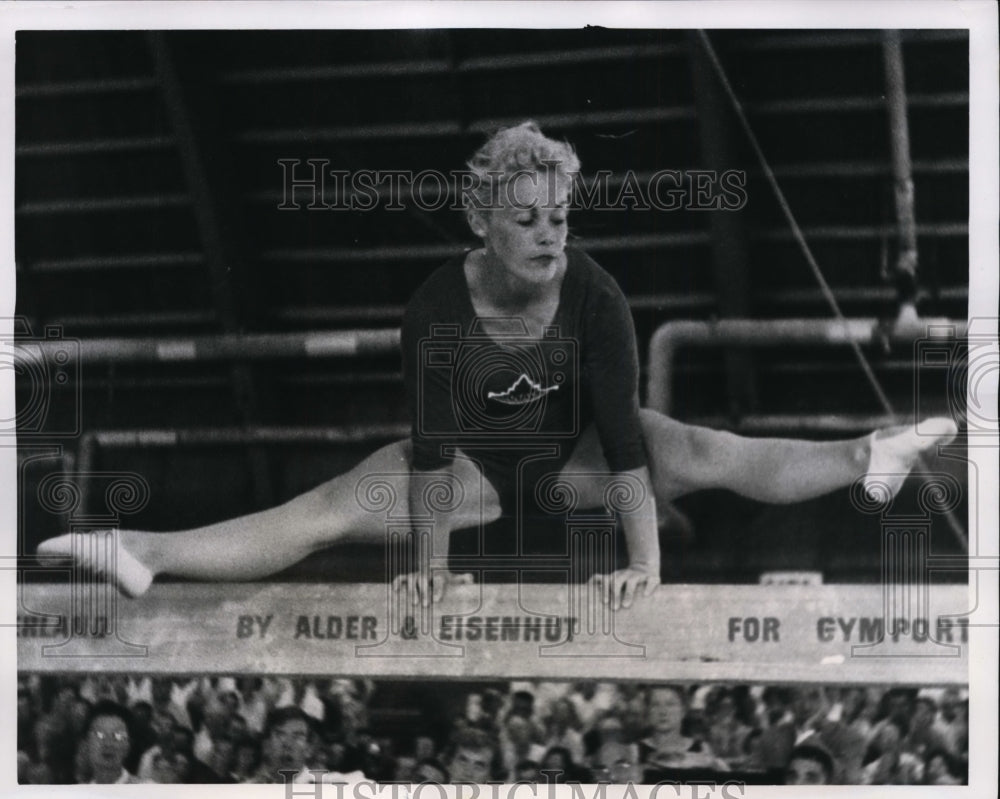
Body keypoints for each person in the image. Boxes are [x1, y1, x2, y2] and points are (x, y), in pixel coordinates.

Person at [37, 121, 958, 608]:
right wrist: (432, 568)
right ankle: (143, 551)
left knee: (700, 446)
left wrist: (648, 568)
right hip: (469, 472)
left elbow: (627, 442)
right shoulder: (435, 310)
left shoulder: (595, 295)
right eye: (527, 220)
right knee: (318, 511)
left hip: (578, 462)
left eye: (560, 218)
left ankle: (862, 455)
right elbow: (433, 458)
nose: (549, 235)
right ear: (481, 219)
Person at [638, 686, 727, 771]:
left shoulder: (702, 749)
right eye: (655, 705)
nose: (663, 711)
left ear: (683, 711)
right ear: (647, 711)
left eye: (670, 704)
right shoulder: (634, 751)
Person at [79, 700, 143, 784]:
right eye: (100, 735)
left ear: (129, 745)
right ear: (86, 743)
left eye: (117, 736)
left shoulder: (148, 791)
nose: (108, 744)